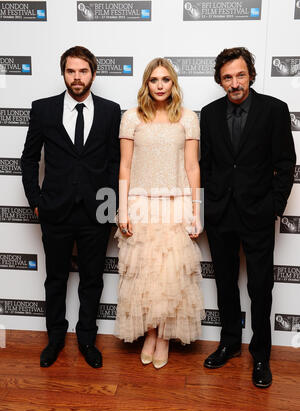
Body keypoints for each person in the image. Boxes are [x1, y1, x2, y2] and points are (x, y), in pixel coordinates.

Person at [200, 47, 296, 387]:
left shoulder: (274, 110)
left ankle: (261, 355)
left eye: (240, 75)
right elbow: (206, 164)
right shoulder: (209, 114)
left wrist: (274, 206)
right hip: (220, 214)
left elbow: (285, 165)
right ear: (220, 81)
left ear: (251, 75)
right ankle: (229, 343)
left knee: (260, 287)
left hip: (258, 214)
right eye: (227, 77)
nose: (234, 82)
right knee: (225, 283)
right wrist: (209, 204)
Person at [21, 46, 121, 368]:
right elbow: (29, 159)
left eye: (83, 71)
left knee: (92, 279)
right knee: (56, 279)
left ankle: (87, 340)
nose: (77, 78)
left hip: (96, 212)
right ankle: (55, 340)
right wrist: (36, 201)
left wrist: (110, 208)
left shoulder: (110, 111)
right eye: (71, 71)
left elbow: (114, 162)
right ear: (63, 73)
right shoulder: (43, 110)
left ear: (93, 73)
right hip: (55, 210)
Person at [114, 58, 205, 369]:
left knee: (170, 277)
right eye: (154, 80)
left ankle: (164, 337)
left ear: (173, 83)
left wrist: (198, 211)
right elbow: (124, 166)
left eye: (166, 79)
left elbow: (193, 167)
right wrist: (123, 208)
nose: (160, 85)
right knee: (146, 277)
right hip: (141, 204)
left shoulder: (188, 119)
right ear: (146, 84)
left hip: (176, 204)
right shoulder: (132, 118)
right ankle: (150, 334)